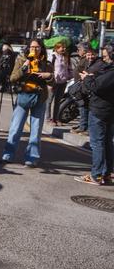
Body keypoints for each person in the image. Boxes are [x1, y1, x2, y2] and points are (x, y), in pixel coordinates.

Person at [0, 39, 53, 167]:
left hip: (40, 98)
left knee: (36, 131)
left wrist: (48, 75)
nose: (34, 50)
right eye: (32, 47)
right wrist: (24, 68)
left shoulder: (46, 62)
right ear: (28, 48)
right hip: (23, 96)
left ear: (42, 48)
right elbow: (13, 78)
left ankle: (32, 158)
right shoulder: (21, 59)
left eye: (37, 47)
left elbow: (52, 81)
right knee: (15, 128)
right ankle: (7, 155)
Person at [75, 44, 114, 185]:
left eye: (105, 57)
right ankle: (106, 174)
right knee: (107, 143)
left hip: (100, 110)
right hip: (107, 111)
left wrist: (87, 78)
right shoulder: (108, 70)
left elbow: (96, 86)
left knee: (98, 143)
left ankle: (96, 175)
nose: (103, 59)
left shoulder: (112, 71)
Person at [70, 43, 96, 134]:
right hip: (80, 86)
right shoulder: (83, 59)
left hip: (83, 87)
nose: (78, 52)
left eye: (79, 50)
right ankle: (82, 125)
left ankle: (83, 126)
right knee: (82, 106)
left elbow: (86, 72)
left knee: (83, 106)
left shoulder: (86, 59)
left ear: (84, 51)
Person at [47, 41, 71, 126]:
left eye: (64, 47)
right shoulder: (52, 57)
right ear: (57, 48)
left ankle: (56, 119)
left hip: (63, 82)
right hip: (54, 82)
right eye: (62, 47)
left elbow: (68, 68)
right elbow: (48, 69)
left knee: (58, 101)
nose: (64, 49)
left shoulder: (66, 57)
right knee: (49, 101)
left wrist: (69, 76)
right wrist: (49, 82)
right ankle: (49, 119)